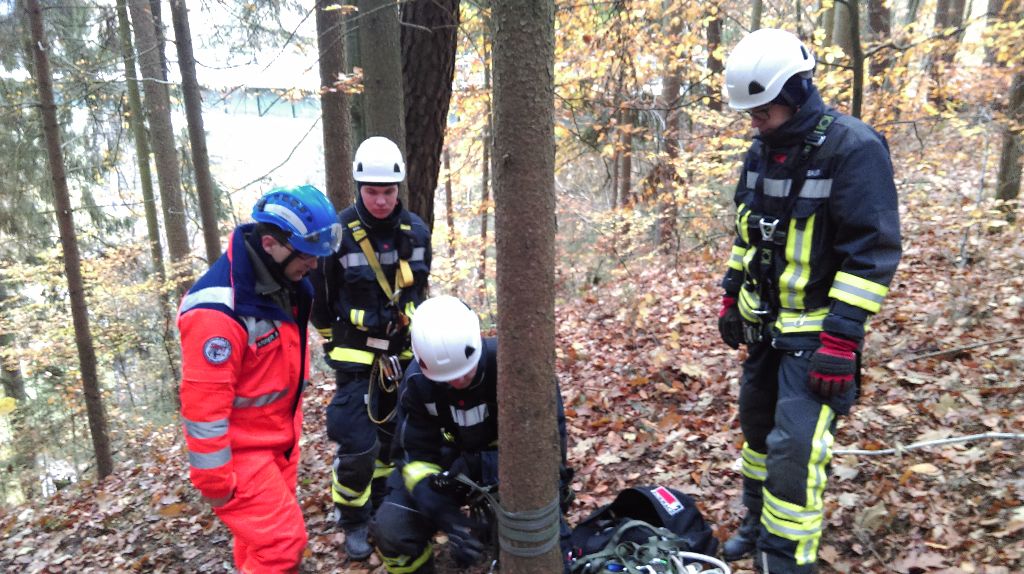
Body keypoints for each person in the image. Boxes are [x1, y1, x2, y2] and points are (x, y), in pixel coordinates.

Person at [717, 28, 902, 573]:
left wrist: (841, 342)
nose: (755, 121)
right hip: (766, 328)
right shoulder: (761, 152)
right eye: (750, 113)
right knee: (757, 433)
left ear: (796, 92)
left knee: (795, 450)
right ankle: (757, 522)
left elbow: (871, 253)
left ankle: (786, 558)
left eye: (763, 111)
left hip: (819, 336)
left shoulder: (853, 149)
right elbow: (748, 234)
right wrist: (731, 296)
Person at [178, 185, 341, 573]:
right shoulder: (217, 314)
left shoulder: (286, 285)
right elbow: (203, 412)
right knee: (283, 544)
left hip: (277, 444)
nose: (313, 266)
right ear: (270, 244)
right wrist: (219, 485)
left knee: (259, 546)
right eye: (305, 255)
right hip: (240, 456)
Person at [369, 295, 572, 573]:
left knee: (539, 537)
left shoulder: (514, 368)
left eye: (465, 372)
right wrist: (442, 511)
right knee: (393, 527)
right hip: (451, 470)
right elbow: (413, 455)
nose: (457, 381)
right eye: (445, 377)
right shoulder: (417, 383)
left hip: (510, 471)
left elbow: (548, 449)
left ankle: (496, 525)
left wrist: (482, 464)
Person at [310, 136, 432, 560]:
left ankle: (382, 502)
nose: (381, 201)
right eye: (372, 192)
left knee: (394, 439)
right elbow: (320, 300)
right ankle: (353, 519)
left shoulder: (416, 232)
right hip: (355, 356)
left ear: (399, 189)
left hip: (401, 354)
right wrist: (336, 338)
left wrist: (411, 326)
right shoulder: (338, 235)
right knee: (359, 444)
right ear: (359, 188)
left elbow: (418, 290)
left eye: (388, 192)